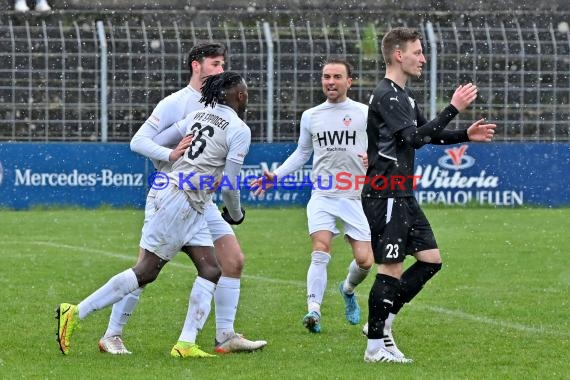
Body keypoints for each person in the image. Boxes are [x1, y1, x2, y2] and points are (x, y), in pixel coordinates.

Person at [56, 71, 255, 358]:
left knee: (211, 269)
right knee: (147, 270)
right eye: (245, 92)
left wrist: (169, 156)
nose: (247, 96)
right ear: (238, 96)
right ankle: (75, 313)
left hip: (188, 201)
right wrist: (235, 215)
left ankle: (185, 344)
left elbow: (159, 140)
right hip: (180, 200)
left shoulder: (198, 115)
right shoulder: (239, 129)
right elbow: (231, 185)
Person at [100, 42, 266, 356]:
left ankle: (225, 335)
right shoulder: (176, 103)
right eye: (215, 64)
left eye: (222, 64)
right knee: (146, 269)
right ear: (196, 65)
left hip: (202, 199)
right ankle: (112, 333)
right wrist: (170, 155)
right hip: (173, 192)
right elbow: (139, 141)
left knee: (233, 261)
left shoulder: (218, 103)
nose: (220, 70)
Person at [361, 27, 496, 363]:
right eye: (418, 52)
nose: (423, 58)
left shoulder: (404, 96)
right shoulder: (388, 95)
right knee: (390, 268)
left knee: (431, 261)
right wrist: (452, 107)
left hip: (402, 193)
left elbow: (426, 135)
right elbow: (411, 140)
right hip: (385, 192)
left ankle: (382, 323)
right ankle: (375, 347)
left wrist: (465, 133)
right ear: (398, 54)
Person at [251, 57, 374, 334]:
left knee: (366, 261)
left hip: (354, 197)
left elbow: (381, 145)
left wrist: (374, 157)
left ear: (349, 81)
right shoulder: (311, 115)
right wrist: (277, 175)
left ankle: (347, 289)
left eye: (337, 77)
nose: (330, 82)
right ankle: (314, 310)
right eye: (326, 77)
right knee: (320, 249)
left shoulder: (365, 113)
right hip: (322, 195)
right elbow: (302, 153)